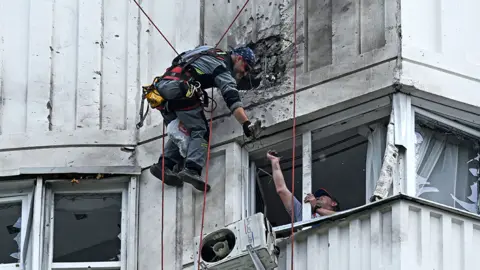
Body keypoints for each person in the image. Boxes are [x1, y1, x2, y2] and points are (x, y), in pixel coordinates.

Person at [147, 45, 258, 192]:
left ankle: (164, 165)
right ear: (238, 58)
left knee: (185, 128)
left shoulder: (209, 51)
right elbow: (232, 98)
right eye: (246, 67)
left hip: (161, 88)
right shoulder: (222, 67)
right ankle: (192, 169)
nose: (245, 73)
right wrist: (245, 123)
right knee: (200, 130)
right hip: (180, 89)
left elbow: (180, 57)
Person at [266, 151, 340, 222]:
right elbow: (281, 190)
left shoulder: (340, 220)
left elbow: (337, 216)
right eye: (317, 197)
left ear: (333, 203)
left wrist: (316, 207)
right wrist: (274, 162)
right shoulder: (304, 216)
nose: (318, 198)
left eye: (322, 195)